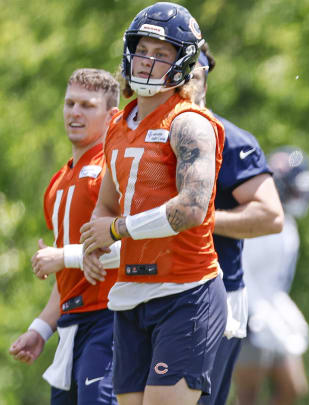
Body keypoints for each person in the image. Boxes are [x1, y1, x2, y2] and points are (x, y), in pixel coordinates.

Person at [79, 3, 227, 405]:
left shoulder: (189, 123)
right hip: (131, 292)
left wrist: (116, 230)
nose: (148, 61)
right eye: (144, 49)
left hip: (186, 291)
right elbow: (106, 205)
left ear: (183, 62)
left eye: (162, 54)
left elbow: (191, 210)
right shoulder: (116, 124)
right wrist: (96, 243)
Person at [8, 68, 120, 405]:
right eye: (69, 103)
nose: (74, 112)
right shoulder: (57, 184)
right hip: (71, 324)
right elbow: (66, 279)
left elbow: (137, 245)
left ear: (111, 115)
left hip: (110, 318)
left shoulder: (114, 171)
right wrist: (41, 329)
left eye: (87, 105)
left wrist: (64, 255)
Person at [190, 45, 285, 405]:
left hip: (216, 293)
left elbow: (271, 216)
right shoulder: (145, 136)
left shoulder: (231, 139)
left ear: (205, 83)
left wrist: (198, 219)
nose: (185, 86)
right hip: (150, 293)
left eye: (194, 77)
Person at [233, 146, 309, 405]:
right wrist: (255, 315)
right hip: (249, 316)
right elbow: (243, 270)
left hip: (272, 312)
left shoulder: (288, 224)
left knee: (293, 387)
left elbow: (276, 281)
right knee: (248, 397)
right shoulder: (256, 217)